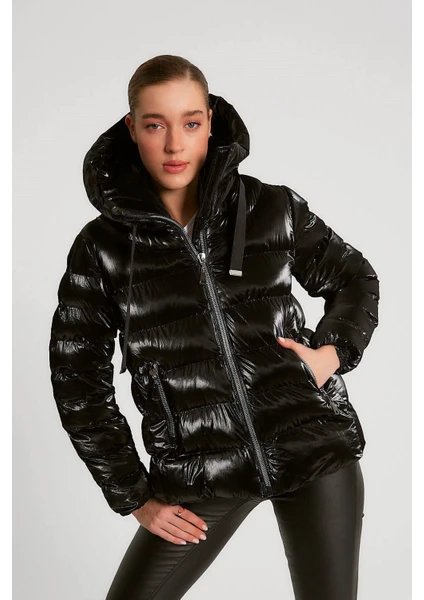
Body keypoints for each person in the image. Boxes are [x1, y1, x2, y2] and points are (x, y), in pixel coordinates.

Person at [48, 54, 380, 600]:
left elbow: (354, 278)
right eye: (155, 125)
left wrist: (332, 353)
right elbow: (76, 380)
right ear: (132, 128)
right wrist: (133, 495)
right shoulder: (102, 248)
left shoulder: (269, 207)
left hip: (313, 445)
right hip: (202, 471)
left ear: (209, 122)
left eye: (190, 123)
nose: (174, 145)